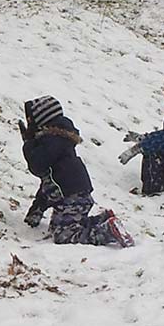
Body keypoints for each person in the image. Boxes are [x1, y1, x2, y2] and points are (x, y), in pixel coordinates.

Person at [20, 96, 134, 247]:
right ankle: (103, 219)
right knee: (59, 227)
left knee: (64, 235)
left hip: (70, 197)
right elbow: (46, 188)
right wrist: (34, 214)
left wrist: (28, 144)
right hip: (74, 194)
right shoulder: (56, 139)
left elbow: (37, 165)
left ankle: (108, 232)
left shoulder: (50, 142)